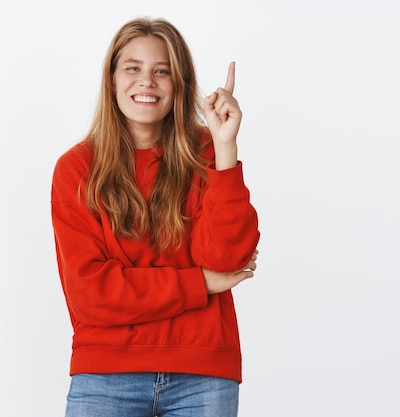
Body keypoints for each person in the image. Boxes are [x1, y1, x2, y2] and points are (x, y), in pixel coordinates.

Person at [51, 17, 260, 417]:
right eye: (133, 68)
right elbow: (91, 295)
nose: (146, 82)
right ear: (112, 80)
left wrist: (225, 146)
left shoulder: (208, 152)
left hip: (202, 375)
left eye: (161, 71)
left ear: (179, 84)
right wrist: (199, 283)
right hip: (105, 377)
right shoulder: (77, 169)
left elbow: (227, 261)